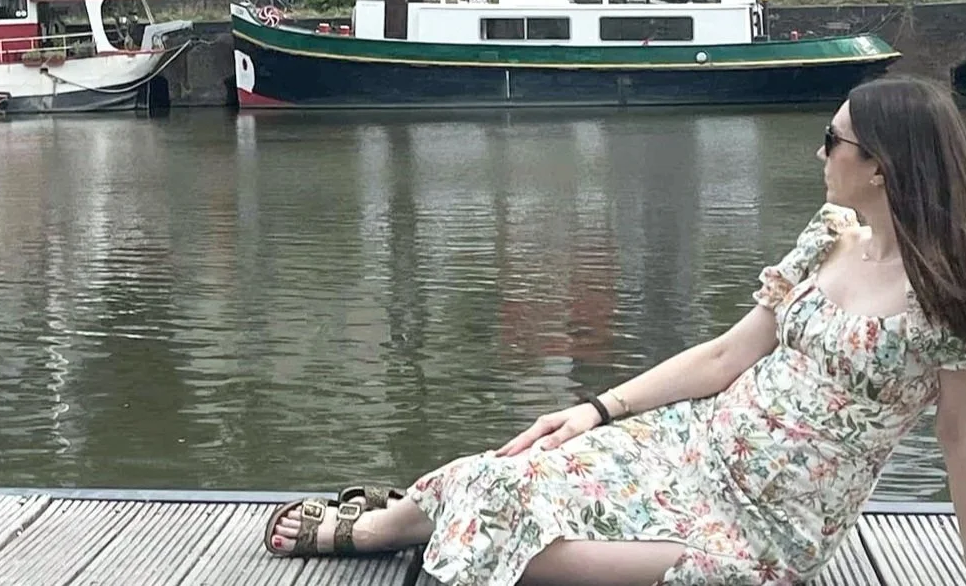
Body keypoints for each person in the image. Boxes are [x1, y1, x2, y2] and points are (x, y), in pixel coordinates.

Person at [265, 74, 966, 585]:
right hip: (696, 444)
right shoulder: (828, 239)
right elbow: (727, 353)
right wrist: (594, 409)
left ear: (878, 164)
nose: (818, 154)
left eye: (830, 140)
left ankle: (381, 529)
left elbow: (958, 439)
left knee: (522, 549)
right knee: (502, 470)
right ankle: (383, 528)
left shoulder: (946, 299)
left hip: (768, 523)